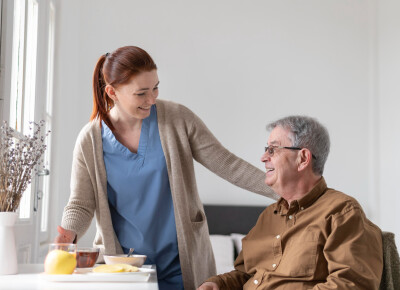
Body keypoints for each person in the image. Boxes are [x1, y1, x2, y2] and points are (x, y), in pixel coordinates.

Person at [54, 46, 278, 290]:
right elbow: (81, 202)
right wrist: (68, 233)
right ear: (112, 92)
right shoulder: (90, 139)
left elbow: (228, 165)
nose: (152, 99)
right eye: (141, 93)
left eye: (155, 88)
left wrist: (282, 189)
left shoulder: (177, 119)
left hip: (182, 263)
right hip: (125, 267)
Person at [198, 115, 383, 289]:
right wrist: (218, 284)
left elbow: (351, 284)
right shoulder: (268, 216)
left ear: (302, 159)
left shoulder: (342, 212)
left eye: (272, 149)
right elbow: (246, 274)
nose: (263, 158)